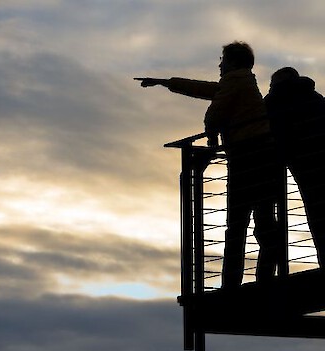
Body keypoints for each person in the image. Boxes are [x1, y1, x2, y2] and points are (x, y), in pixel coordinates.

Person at [139, 42, 282, 289]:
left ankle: (231, 285)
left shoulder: (236, 79)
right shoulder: (242, 80)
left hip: (248, 158)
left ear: (233, 62)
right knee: (264, 222)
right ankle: (267, 278)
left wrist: (211, 133)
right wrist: (165, 82)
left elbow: (214, 112)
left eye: (222, 59)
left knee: (237, 224)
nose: (219, 64)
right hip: (263, 157)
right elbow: (206, 90)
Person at [265, 66, 325, 268]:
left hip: (303, 165)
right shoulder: (315, 98)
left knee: (317, 216)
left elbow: (267, 127)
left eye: (271, 84)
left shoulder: (276, 101)